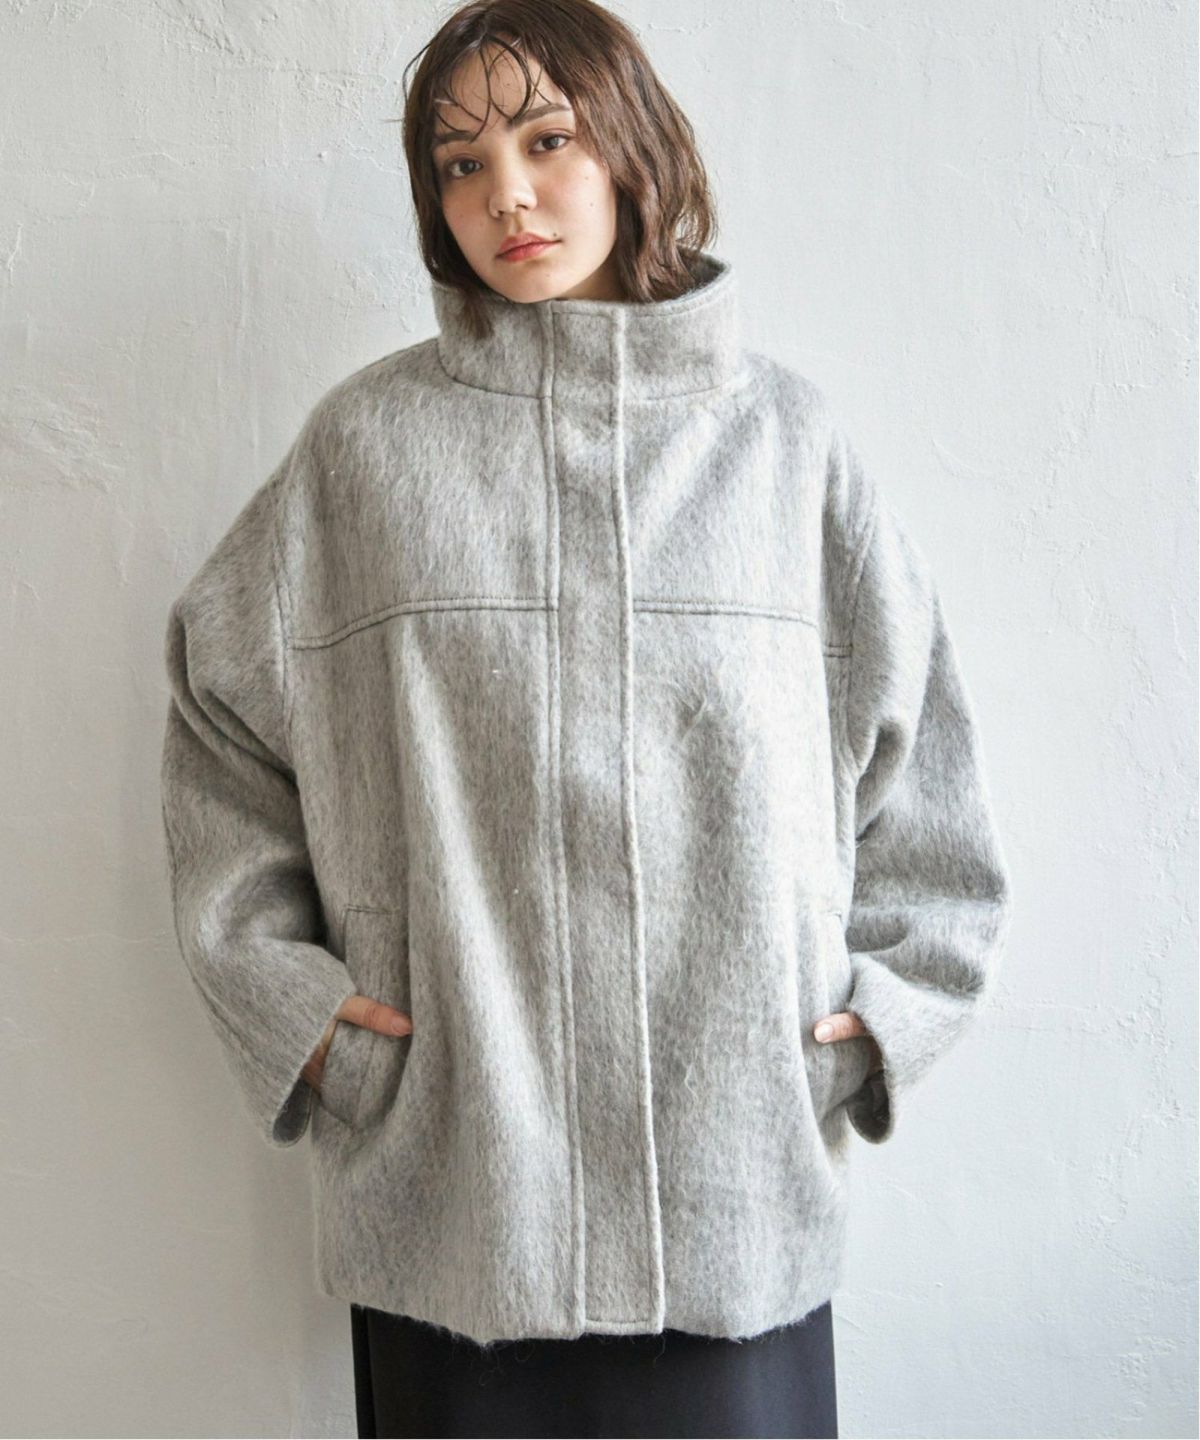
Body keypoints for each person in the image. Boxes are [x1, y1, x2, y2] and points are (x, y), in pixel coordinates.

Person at [159, 2, 1013, 1437]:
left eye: (546, 140)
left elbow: (925, 783)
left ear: (632, 148)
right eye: (461, 163)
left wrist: (871, 1030)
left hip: (736, 1206)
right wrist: (307, 1026)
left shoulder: (787, 451)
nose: (507, 193)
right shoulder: (363, 455)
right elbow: (219, 723)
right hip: (456, 1213)